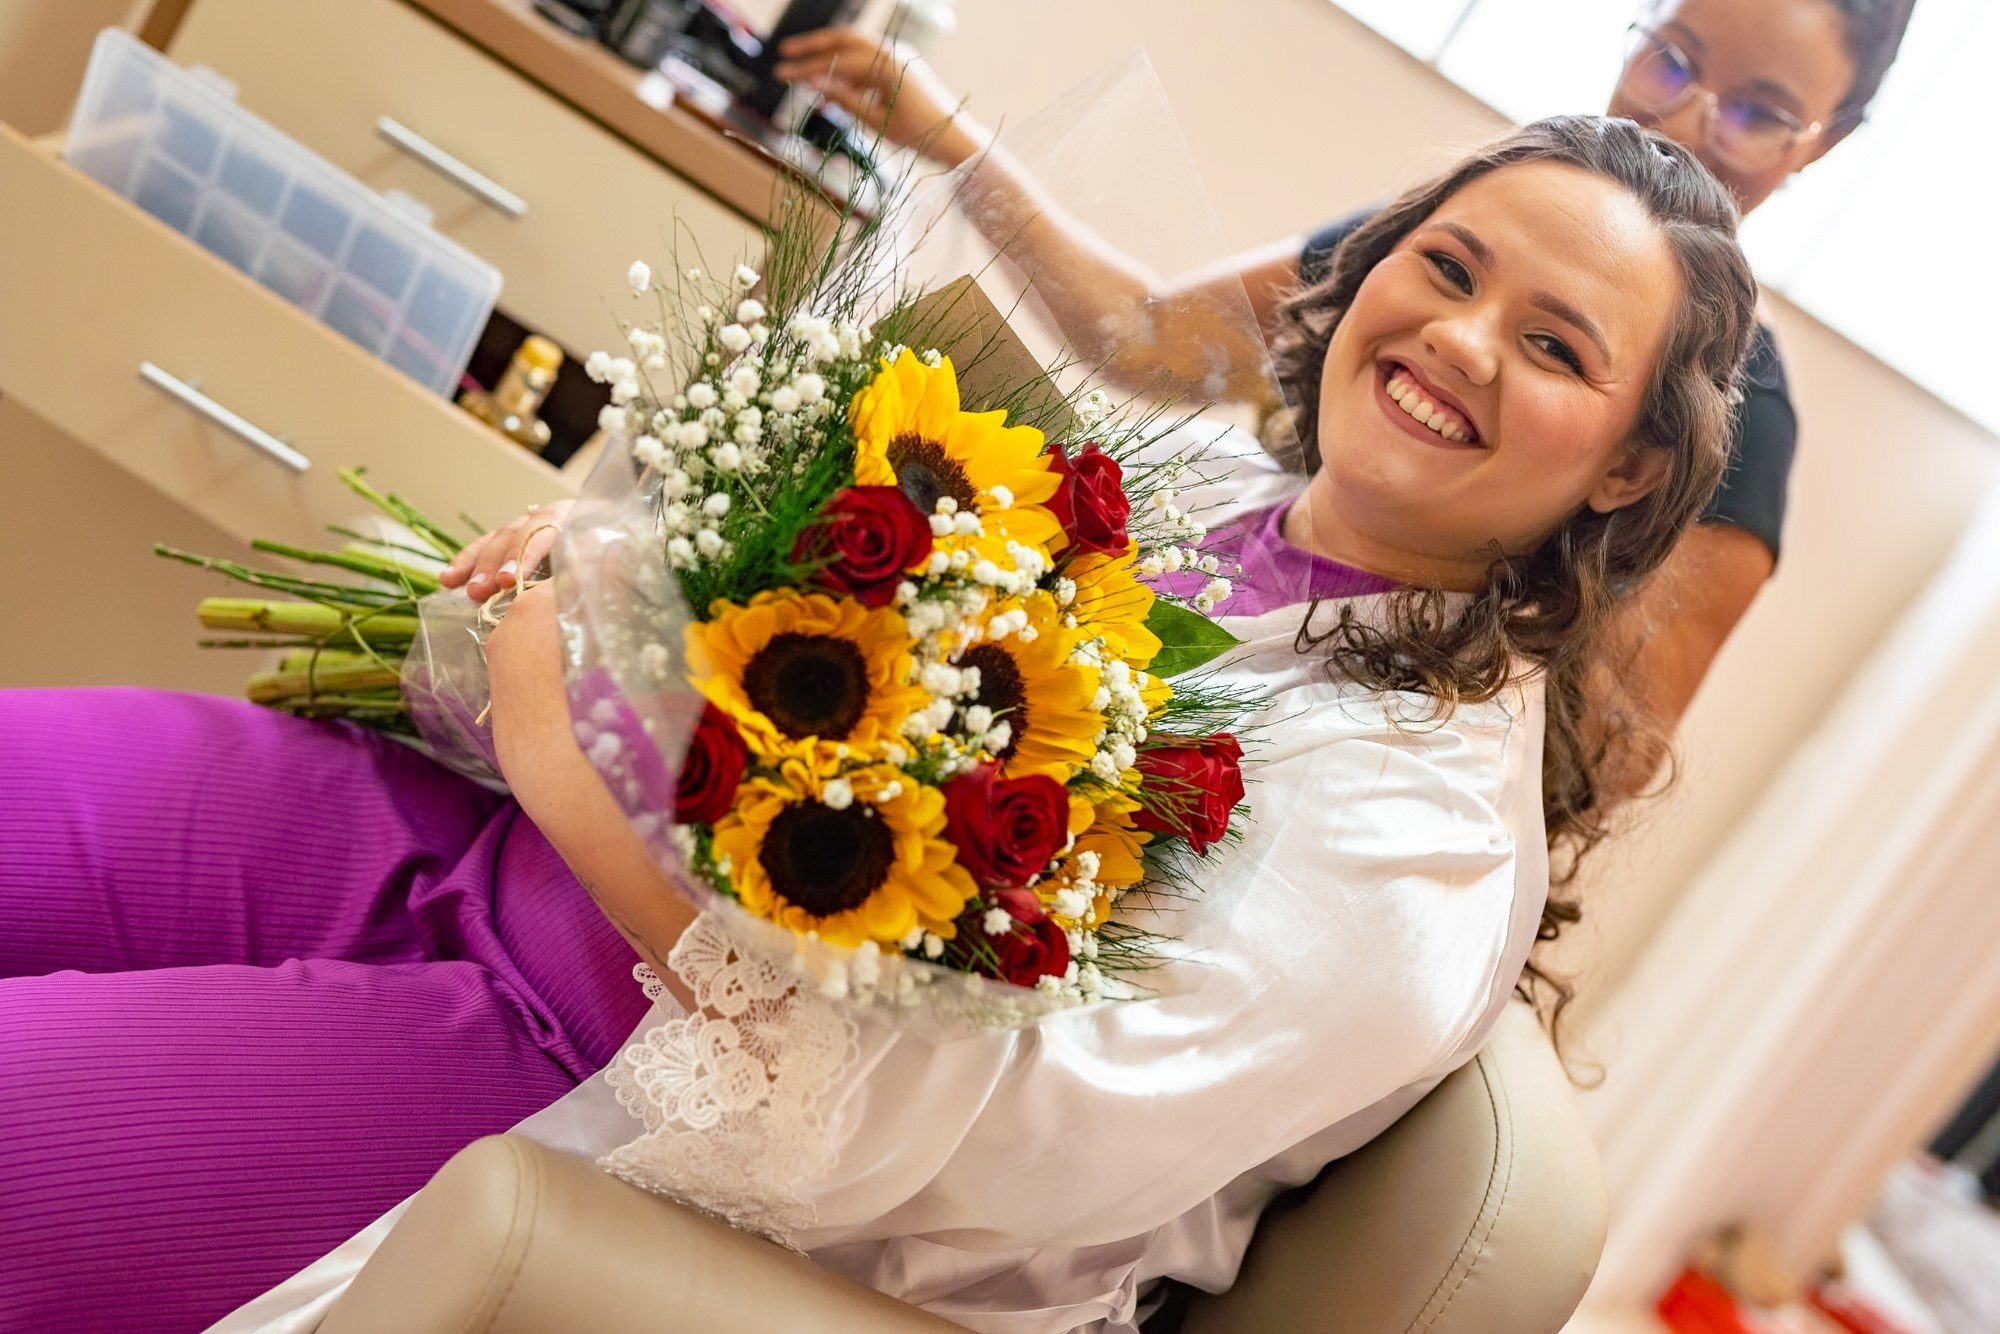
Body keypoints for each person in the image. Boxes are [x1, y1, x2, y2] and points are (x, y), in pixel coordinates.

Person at [0, 117, 1753, 1331]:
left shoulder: (1415, 848)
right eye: (1444, 266)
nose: (1455, 335)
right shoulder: (1198, 484)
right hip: (471, 838)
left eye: (1554, 343)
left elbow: (966, 1128)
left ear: (1631, 463)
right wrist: (604, 587)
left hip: (599, 1069)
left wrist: (568, 758)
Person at [774, 0, 1918, 800]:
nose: (1686, 118)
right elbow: (1154, 335)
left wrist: (1318, 755)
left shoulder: (1741, 424)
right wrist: (950, 139)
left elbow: (1601, 760)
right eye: (1671, 55)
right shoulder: (1455, 236)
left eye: (1760, 111)